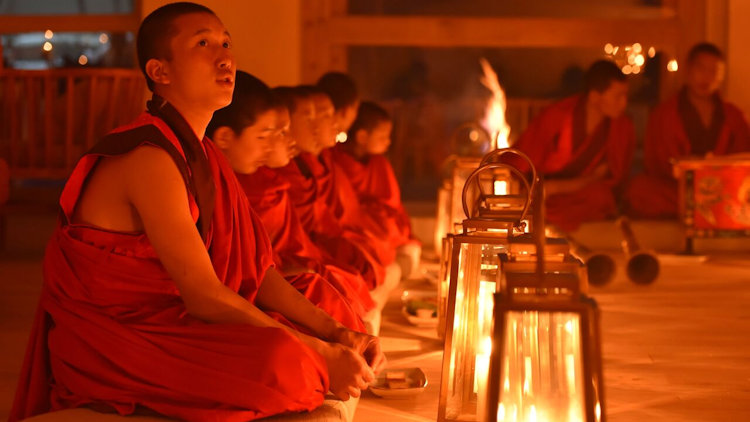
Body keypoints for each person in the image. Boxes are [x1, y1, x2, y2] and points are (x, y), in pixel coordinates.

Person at [9, 4, 383, 421]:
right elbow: (204, 296)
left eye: (226, 42)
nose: (224, 57)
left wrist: (337, 334)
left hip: (174, 322)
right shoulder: (147, 157)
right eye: (202, 43)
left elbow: (258, 275)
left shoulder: (202, 153)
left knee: (321, 299)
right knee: (284, 363)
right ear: (160, 71)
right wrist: (319, 352)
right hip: (121, 342)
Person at [207, 71, 374, 327]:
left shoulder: (264, 175)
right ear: (225, 138)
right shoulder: (229, 181)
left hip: (279, 271)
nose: (280, 141)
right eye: (266, 135)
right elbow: (241, 269)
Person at [627, 43, 750, 218]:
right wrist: (684, 167)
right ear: (688, 69)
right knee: (641, 189)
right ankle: (701, 207)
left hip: (723, 189)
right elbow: (654, 163)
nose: (706, 77)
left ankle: (699, 206)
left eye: (714, 71)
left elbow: (743, 158)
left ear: (721, 76)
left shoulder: (733, 115)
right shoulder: (663, 113)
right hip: (678, 188)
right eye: (701, 68)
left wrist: (717, 167)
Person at [513, 59, 635, 231]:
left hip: (575, 195)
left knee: (601, 197)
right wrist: (547, 188)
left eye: (625, 95)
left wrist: (556, 188)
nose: (624, 103)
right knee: (533, 201)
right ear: (594, 96)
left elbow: (610, 178)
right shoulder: (556, 117)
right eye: (617, 96)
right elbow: (522, 165)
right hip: (543, 193)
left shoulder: (622, 127)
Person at [333, 101, 422, 277]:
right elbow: (342, 208)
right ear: (362, 137)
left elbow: (391, 205)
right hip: (354, 224)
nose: (388, 142)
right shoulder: (336, 161)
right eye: (383, 137)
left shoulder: (379, 163)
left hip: (377, 223)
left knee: (388, 229)